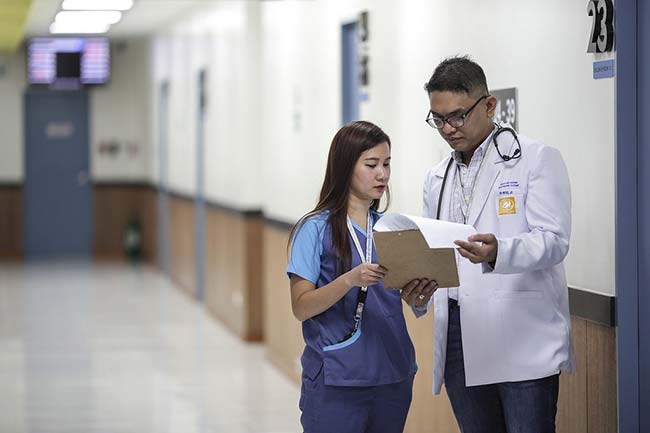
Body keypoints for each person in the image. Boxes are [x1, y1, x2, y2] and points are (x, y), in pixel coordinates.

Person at [418, 56, 575, 433]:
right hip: (458, 334)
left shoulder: (535, 159)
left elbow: (555, 241)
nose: (448, 129)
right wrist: (417, 286)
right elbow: (434, 252)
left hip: (521, 337)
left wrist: (499, 252)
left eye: (457, 116)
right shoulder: (436, 178)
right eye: (438, 119)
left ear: (489, 105)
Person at [287, 120, 437, 433]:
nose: (382, 174)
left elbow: (400, 301)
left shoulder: (392, 229)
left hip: (393, 376)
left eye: (387, 164)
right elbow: (301, 307)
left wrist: (417, 296)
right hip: (337, 379)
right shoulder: (314, 229)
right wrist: (349, 280)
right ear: (344, 168)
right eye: (371, 165)